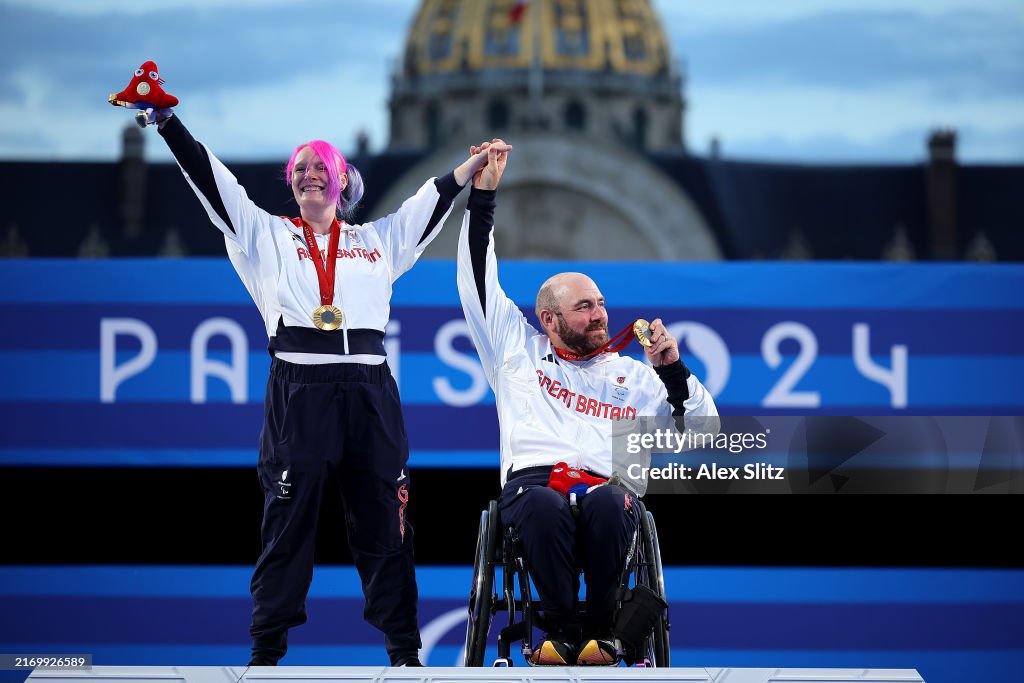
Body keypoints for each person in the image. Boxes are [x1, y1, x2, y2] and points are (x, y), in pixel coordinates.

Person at [120, 78, 507, 667]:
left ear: (342, 179)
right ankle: (265, 652)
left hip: (370, 392)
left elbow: (425, 205)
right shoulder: (263, 236)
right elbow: (212, 183)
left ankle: (405, 654)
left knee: (387, 524)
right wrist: (169, 124)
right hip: (299, 390)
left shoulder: (375, 242)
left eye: (320, 166)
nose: (308, 174)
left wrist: (471, 165)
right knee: (287, 524)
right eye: (299, 168)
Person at [457, 141, 718, 666]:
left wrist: (672, 368)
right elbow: (476, 277)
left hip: (608, 489)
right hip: (534, 486)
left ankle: (602, 635)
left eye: (600, 304)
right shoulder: (515, 350)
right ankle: (560, 633)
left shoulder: (636, 376)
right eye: (584, 308)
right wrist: (482, 198)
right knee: (540, 504)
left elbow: (703, 431)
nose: (599, 315)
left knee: (607, 501)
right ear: (549, 320)